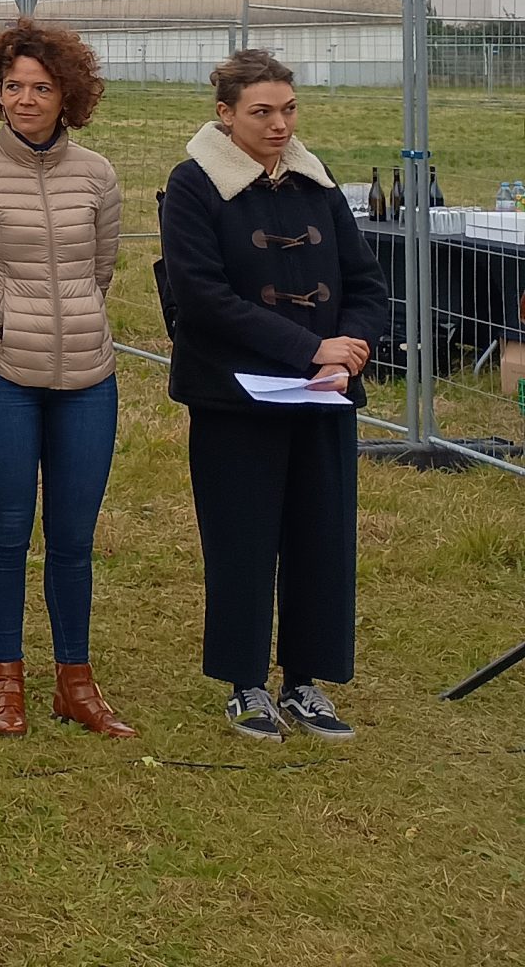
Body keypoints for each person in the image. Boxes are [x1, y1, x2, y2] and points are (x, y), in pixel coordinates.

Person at [161, 49, 382, 743]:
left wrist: (350, 347)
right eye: (262, 112)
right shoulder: (194, 186)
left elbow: (367, 283)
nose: (279, 125)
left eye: (288, 109)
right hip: (236, 398)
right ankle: (245, 685)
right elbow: (201, 298)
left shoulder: (316, 184)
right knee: (242, 540)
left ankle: (306, 683)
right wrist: (306, 347)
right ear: (224, 115)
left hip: (322, 396)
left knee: (322, 538)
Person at [0, 20, 131, 739]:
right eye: (12, 86)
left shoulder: (98, 175)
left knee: (74, 537)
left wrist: (67, 329)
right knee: (8, 529)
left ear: (67, 95)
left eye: (41, 87)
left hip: (87, 376)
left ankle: (75, 682)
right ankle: (6, 681)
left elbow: (102, 270)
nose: (25, 99)